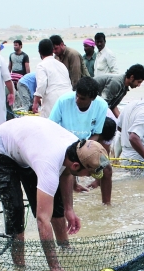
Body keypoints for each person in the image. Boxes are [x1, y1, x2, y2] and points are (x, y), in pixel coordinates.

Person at [0, 117, 108, 271]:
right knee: (15, 209)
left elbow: (66, 173)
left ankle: (65, 248)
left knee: (55, 202)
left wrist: (69, 209)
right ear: (76, 165)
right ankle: (19, 268)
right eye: (88, 173)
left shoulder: (77, 147)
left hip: (29, 145)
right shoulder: (49, 163)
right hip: (1, 149)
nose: (88, 177)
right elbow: (43, 220)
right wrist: (54, 268)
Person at [48, 77, 112, 205]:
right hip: (63, 142)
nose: (77, 100)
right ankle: (70, 196)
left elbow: (97, 134)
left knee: (107, 169)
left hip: (86, 143)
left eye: (82, 98)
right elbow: (50, 127)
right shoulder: (63, 101)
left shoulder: (101, 105)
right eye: (77, 96)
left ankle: (107, 205)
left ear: (92, 99)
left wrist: (83, 149)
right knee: (66, 170)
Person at [32, 38, 72, 119]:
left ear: (39, 52)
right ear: (52, 50)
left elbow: (42, 85)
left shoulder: (41, 65)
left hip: (53, 100)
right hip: (68, 97)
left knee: (50, 124)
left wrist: (35, 102)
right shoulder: (61, 65)